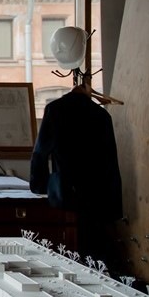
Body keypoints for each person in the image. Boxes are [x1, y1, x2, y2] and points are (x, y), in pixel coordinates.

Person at [30, 72, 123, 273]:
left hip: (64, 190)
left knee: (65, 247)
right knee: (92, 251)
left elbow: (40, 152)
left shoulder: (55, 110)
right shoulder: (102, 116)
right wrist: (115, 206)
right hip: (95, 193)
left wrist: (39, 186)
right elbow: (110, 162)